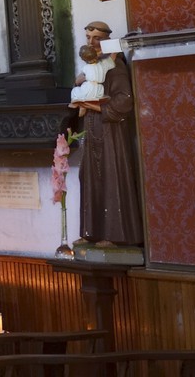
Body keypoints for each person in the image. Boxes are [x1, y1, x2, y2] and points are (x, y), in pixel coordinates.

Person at [75, 21, 144, 248]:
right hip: (91, 128)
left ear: (106, 40)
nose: (91, 43)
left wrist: (96, 106)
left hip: (111, 131)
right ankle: (92, 231)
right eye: (88, 38)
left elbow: (124, 101)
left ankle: (116, 235)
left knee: (110, 177)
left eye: (96, 38)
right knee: (90, 178)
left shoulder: (116, 66)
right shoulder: (92, 67)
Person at [69, 42, 112, 110]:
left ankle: (79, 105)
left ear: (84, 59)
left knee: (75, 91)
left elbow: (81, 78)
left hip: (89, 89)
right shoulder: (102, 65)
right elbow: (110, 62)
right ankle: (83, 105)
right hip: (100, 90)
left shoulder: (86, 67)